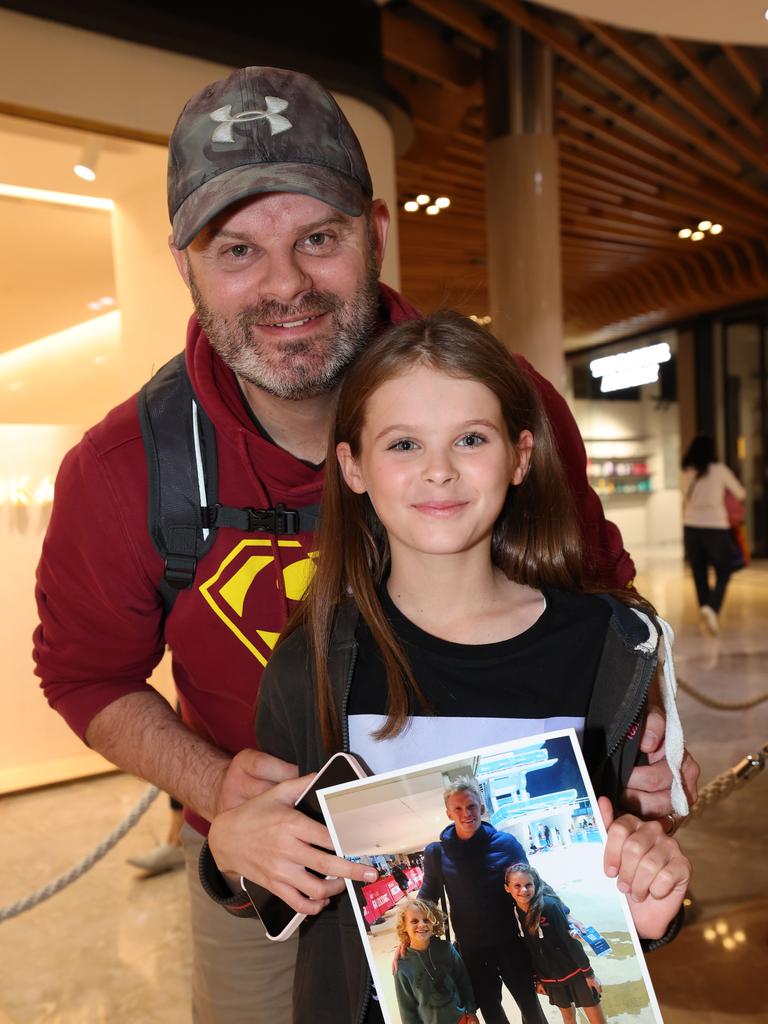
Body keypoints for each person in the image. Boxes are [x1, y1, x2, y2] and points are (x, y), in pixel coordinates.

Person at [32, 65, 695, 1023]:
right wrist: (220, 794)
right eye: (237, 251)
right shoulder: (125, 470)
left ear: (376, 235)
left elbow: (599, 598)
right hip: (268, 858)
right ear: (185, 263)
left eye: (319, 240)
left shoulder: (507, 404)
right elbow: (84, 675)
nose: (285, 285)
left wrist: (646, 756)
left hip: (510, 840)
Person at [205, 312, 692, 1024]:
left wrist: (652, 896)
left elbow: (627, 864)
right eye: (404, 443)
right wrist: (226, 851)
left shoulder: (605, 646)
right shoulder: (314, 658)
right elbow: (276, 880)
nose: (439, 469)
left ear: (521, 456)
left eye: (471, 438)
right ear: (353, 467)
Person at [504, 863, 605, 1023]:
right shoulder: (516, 913)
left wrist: (589, 974)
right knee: (568, 1019)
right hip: (551, 978)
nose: (523, 890)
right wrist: (537, 979)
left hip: (576, 972)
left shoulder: (550, 906)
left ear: (535, 884)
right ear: (507, 888)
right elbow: (530, 949)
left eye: (528, 885)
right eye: (517, 886)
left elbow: (570, 943)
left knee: (597, 1020)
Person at [681, 434, 747, 635]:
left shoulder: (685, 471)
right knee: (725, 570)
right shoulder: (719, 470)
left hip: (691, 526)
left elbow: (684, 497)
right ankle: (711, 607)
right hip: (716, 527)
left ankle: (705, 607)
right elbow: (741, 493)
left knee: (699, 571)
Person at [393, 897, 479, 1024]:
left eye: (426, 920)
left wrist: (471, 1012)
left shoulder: (447, 949)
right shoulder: (401, 966)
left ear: (434, 923)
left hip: (461, 1019)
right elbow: (407, 1010)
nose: (421, 924)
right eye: (414, 921)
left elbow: (464, 981)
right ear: (404, 927)